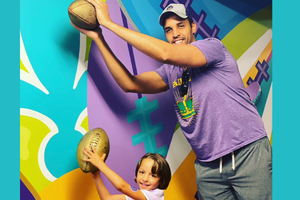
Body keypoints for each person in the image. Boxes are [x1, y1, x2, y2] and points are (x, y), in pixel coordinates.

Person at [71, 2, 272, 199]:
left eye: (180, 25)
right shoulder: (170, 72)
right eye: (168, 29)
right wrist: (99, 37)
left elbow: (165, 54)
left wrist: (109, 23)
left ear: (193, 26)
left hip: (247, 154)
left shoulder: (213, 47)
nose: (175, 33)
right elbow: (129, 84)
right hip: (208, 168)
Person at [82, 146, 171, 200]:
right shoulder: (137, 196)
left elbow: (121, 186)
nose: (145, 179)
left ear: (161, 180)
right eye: (142, 172)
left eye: (153, 175)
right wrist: (96, 176)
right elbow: (107, 198)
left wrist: (100, 164)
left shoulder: (154, 196)